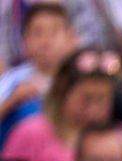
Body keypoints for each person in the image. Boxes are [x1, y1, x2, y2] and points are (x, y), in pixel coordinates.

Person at [0, 2, 77, 144]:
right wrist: (12, 101)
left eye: (54, 32)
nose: (45, 41)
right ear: (23, 42)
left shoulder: (80, 79)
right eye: (37, 33)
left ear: (72, 39)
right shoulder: (12, 81)